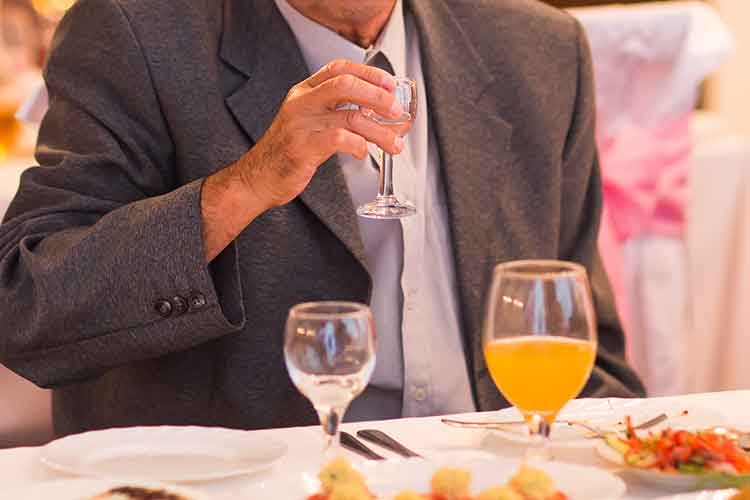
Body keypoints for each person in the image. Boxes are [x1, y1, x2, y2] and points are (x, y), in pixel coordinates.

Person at [0, 0, 645, 437]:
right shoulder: (134, 30)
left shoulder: (538, 48)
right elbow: (29, 308)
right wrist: (247, 185)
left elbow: (585, 351)